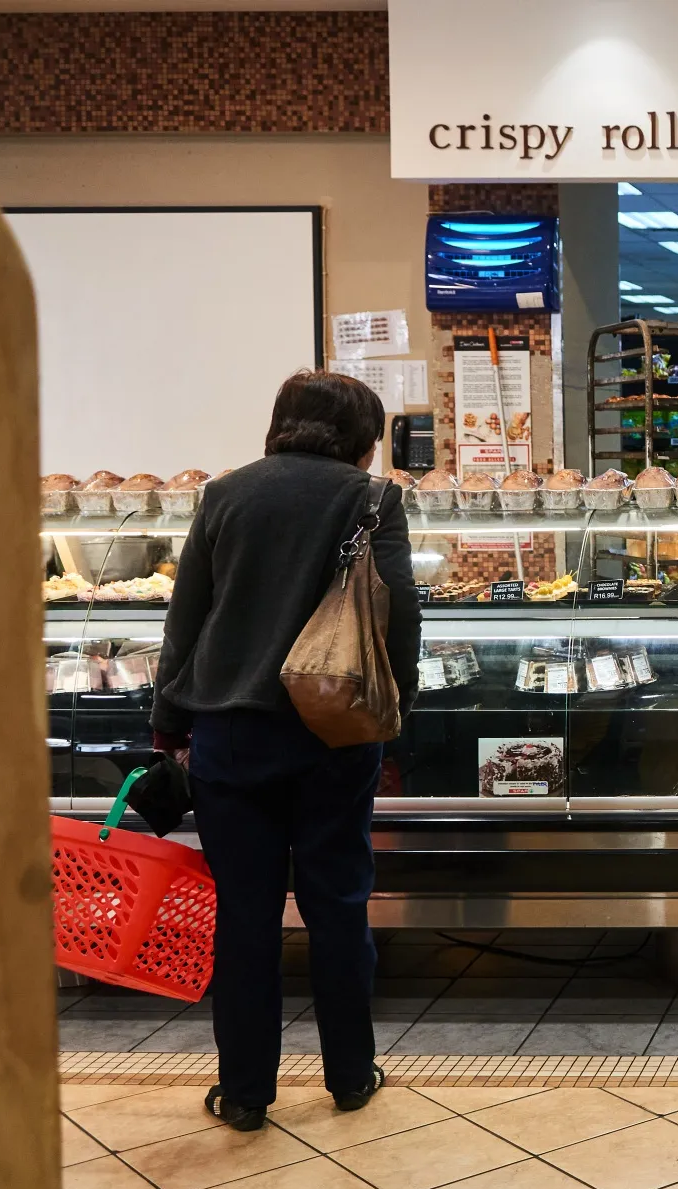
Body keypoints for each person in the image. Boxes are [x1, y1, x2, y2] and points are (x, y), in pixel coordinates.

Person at [153, 370, 420, 1131]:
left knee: (245, 916)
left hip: (231, 736)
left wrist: (169, 722)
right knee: (338, 905)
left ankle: (244, 1091)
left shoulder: (224, 496)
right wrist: (393, 703)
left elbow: (187, 620)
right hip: (334, 730)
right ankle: (348, 1074)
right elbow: (398, 612)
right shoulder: (372, 499)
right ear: (360, 438)